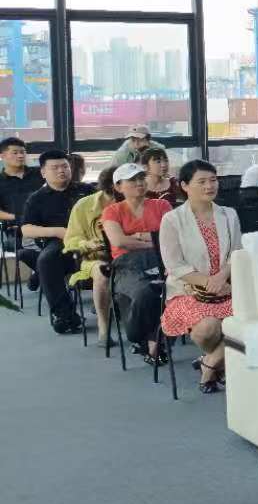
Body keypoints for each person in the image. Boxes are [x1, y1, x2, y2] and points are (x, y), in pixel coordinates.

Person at [159, 159, 243, 390]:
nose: (209, 186)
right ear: (185, 186)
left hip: (228, 285)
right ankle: (224, 361)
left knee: (254, 319)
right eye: (202, 181)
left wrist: (222, 278)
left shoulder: (229, 214)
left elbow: (236, 253)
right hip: (188, 290)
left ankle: (210, 363)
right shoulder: (172, 219)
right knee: (207, 329)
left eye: (213, 180)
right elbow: (174, 265)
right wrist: (209, 283)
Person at [101, 162, 171, 349]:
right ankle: (143, 338)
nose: (139, 183)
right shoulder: (112, 211)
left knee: (164, 288)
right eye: (132, 180)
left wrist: (136, 236)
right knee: (145, 291)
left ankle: (152, 341)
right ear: (118, 187)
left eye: (141, 178)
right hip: (126, 264)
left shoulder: (162, 205)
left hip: (161, 259)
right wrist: (154, 239)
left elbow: (171, 237)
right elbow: (119, 241)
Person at [19, 150, 87, 333]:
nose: (61, 171)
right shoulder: (37, 198)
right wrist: (57, 231)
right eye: (55, 167)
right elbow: (26, 229)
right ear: (43, 172)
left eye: (65, 166)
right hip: (59, 243)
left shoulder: (87, 191)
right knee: (46, 260)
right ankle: (65, 314)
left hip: (90, 238)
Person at [62, 166, 119, 339]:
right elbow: (70, 240)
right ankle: (103, 325)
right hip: (96, 258)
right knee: (102, 272)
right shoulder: (84, 205)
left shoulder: (137, 202)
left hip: (129, 255)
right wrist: (87, 244)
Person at [0, 135, 41, 224]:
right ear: (2, 156)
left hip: (44, 224)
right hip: (14, 227)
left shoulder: (40, 173)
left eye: (23, 152)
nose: (20, 156)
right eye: (15, 153)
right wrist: (18, 217)